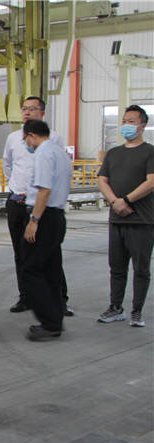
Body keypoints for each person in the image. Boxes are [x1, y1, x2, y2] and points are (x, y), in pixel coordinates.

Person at [3, 96, 74, 316]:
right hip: (18, 202)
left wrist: (35, 207)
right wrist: (19, 187)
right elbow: (7, 164)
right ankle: (26, 297)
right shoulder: (13, 138)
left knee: (50, 255)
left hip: (41, 206)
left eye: (32, 109)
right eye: (24, 108)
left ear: (42, 113)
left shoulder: (53, 139)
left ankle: (59, 300)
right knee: (21, 254)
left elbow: (54, 175)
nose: (26, 112)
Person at [96, 105, 154, 327]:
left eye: (131, 121)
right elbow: (102, 180)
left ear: (142, 126)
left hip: (141, 220)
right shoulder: (113, 153)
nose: (126, 125)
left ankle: (136, 311)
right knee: (117, 267)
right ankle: (115, 307)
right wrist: (114, 201)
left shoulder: (150, 152)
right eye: (124, 121)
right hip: (117, 219)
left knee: (141, 269)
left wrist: (126, 200)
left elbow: (151, 182)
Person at [19, 119, 73, 341]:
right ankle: (55, 319)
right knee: (51, 269)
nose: (26, 144)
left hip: (44, 217)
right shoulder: (60, 153)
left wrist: (34, 220)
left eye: (25, 139)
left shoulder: (43, 153)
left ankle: (49, 322)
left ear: (31, 135)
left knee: (30, 269)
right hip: (57, 216)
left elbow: (44, 190)